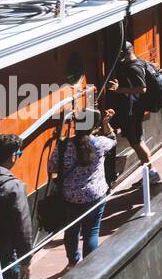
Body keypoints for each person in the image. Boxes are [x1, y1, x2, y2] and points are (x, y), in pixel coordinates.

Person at [49, 108, 117, 268]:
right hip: (95, 195)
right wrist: (107, 123)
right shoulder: (99, 143)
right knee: (92, 231)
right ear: (95, 126)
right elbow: (113, 140)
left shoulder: (64, 145)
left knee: (71, 230)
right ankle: (89, 267)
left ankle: (72, 262)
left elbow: (52, 167)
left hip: (70, 196)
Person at [105, 42, 162, 183]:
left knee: (137, 142)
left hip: (132, 112)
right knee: (137, 141)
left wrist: (119, 89)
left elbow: (142, 89)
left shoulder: (133, 68)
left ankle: (152, 173)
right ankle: (149, 173)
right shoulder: (140, 62)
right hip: (133, 110)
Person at [0, 133, 33, 279]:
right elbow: (23, 227)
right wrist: (26, 261)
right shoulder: (13, 187)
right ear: (12, 156)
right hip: (5, 255)